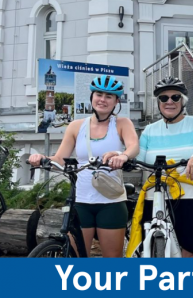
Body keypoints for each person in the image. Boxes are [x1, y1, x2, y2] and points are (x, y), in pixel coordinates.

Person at [29, 75, 139, 257]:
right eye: (99, 94)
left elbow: (133, 146)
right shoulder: (76, 126)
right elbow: (60, 159)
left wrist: (122, 156)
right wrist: (41, 158)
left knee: (113, 260)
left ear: (116, 101)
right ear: (92, 97)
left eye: (108, 96)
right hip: (80, 201)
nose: (102, 99)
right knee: (78, 257)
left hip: (110, 201)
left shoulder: (122, 123)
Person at [127, 76, 193, 258]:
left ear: (183, 101)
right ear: (158, 103)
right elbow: (136, 159)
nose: (169, 101)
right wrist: (121, 157)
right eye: (164, 98)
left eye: (175, 97)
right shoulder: (149, 130)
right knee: (148, 245)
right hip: (154, 193)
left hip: (190, 193)